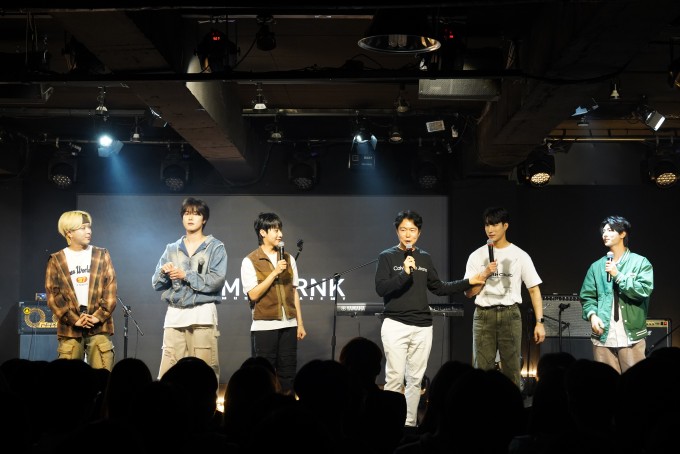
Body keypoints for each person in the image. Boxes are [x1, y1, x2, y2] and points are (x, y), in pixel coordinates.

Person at [375, 209, 491, 427]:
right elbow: (381, 288)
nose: (407, 234)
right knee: (394, 378)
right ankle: (391, 426)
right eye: (403, 230)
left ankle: (409, 424)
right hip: (395, 325)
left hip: (422, 326)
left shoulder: (425, 258)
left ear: (419, 233)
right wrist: (404, 273)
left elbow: (439, 288)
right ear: (397, 231)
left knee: (415, 380)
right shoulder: (386, 257)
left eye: (412, 230)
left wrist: (469, 281)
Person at [464, 206, 545, 388]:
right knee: (481, 370)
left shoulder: (520, 255)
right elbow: (468, 293)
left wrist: (540, 322)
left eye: (494, 225)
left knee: (512, 369)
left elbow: (534, 290)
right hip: (483, 315)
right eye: (487, 225)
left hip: (510, 314)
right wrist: (484, 274)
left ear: (505, 226)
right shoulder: (476, 256)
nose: (490, 229)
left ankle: (511, 405)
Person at [152, 197, 226, 381]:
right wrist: (163, 272)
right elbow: (156, 284)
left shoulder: (215, 247)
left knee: (204, 372)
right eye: (186, 213)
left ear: (204, 219)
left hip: (202, 316)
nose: (190, 218)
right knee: (169, 372)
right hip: (174, 316)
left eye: (196, 214)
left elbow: (216, 281)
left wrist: (186, 275)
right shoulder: (172, 248)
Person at [240, 212, 306, 395]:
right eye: (275, 230)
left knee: (288, 373)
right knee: (264, 375)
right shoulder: (250, 261)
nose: (280, 234)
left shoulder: (289, 259)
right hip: (264, 325)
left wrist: (299, 323)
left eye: (280, 230)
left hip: (289, 325)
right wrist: (274, 273)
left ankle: (287, 407)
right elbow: (253, 294)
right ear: (263, 232)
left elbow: (294, 292)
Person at [579, 215, 653, 374]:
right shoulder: (596, 266)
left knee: (635, 382)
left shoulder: (640, 262)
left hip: (631, 337)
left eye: (610, 230)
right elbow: (587, 297)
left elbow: (643, 290)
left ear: (623, 234)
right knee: (606, 384)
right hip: (603, 337)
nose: (605, 234)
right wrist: (592, 315)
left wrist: (618, 275)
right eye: (603, 231)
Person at [45, 210, 117, 370]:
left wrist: (98, 316)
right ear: (69, 232)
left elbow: (110, 289)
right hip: (70, 328)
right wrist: (73, 319)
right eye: (83, 228)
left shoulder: (101, 255)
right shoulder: (57, 259)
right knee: (69, 377)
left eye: (89, 227)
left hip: (99, 327)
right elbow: (53, 295)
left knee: (103, 375)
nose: (88, 231)